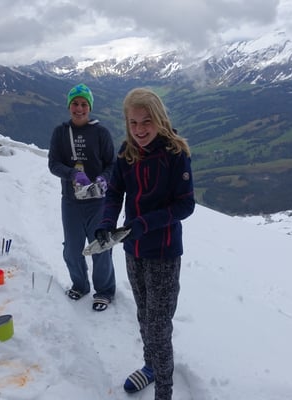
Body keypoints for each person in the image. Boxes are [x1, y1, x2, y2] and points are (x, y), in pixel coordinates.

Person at [95, 88, 195, 399]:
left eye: (146, 121)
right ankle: (151, 367)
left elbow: (185, 205)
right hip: (133, 249)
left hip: (163, 252)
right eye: (133, 122)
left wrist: (145, 223)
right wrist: (106, 223)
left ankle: (164, 391)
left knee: (158, 327)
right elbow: (115, 193)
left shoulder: (175, 154)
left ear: (159, 118)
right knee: (144, 315)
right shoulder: (127, 153)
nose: (140, 129)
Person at [48, 83, 116, 311]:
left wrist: (104, 179)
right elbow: (53, 164)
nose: (79, 108)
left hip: (98, 202)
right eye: (75, 103)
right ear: (69, 106)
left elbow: (112, 164)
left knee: (101, 247)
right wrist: (72, 174)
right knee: (72, 248)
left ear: (90, 107)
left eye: (84, 104)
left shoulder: (101, 133)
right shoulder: (60, 132)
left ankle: (104, 291)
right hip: (71, 201)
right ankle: (80, 285)